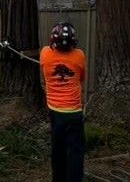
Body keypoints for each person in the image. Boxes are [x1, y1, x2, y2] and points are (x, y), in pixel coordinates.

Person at [39, 22, 86, 182]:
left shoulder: (45, 53)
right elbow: (81, 78)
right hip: (74, 112)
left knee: (57, 150)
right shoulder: (79, 55)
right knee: (75, 152)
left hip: (55, 112)